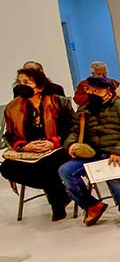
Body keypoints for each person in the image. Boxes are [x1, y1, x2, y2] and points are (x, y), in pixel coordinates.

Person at [58, 76, 120, 228]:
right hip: (94, 153)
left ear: (108, 92)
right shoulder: (84, 111)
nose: (91, 93)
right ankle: (91, 205)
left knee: (110, 170)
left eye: (96, 90)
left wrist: (119, 151)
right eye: (89, 90)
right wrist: (71, 145)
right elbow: (73, 131)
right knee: (65, 171)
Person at [1, 68, 74, 220]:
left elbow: (73, 130)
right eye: (19, 82)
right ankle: (61, 194)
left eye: (26, 82)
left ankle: (56, 203)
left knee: (46, 166)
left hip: (59, 148)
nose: (21, 85)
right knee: (6, 168)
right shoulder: (12, 108)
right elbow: (9, 135)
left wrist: (53, 142)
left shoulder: (59, 103)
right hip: (30, 151)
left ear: (40, 87)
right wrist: (23, 146)